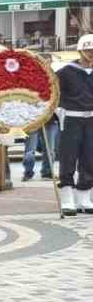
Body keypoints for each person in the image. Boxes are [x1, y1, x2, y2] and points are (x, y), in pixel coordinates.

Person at [58, 34, 93, 216]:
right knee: (68, 158)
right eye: (88, 50)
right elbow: (53, 92)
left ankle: (84, 197)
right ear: (80, 50)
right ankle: (67, 198)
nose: (91, 54)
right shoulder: (66, 72)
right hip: (71, 119)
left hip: (91, 120)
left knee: (89, 159)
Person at [22, 117, 58, 182]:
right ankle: (28, 172)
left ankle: (47, 173)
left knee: (49, 150)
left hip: (50, 120)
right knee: (30, 151)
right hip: (32, 120)